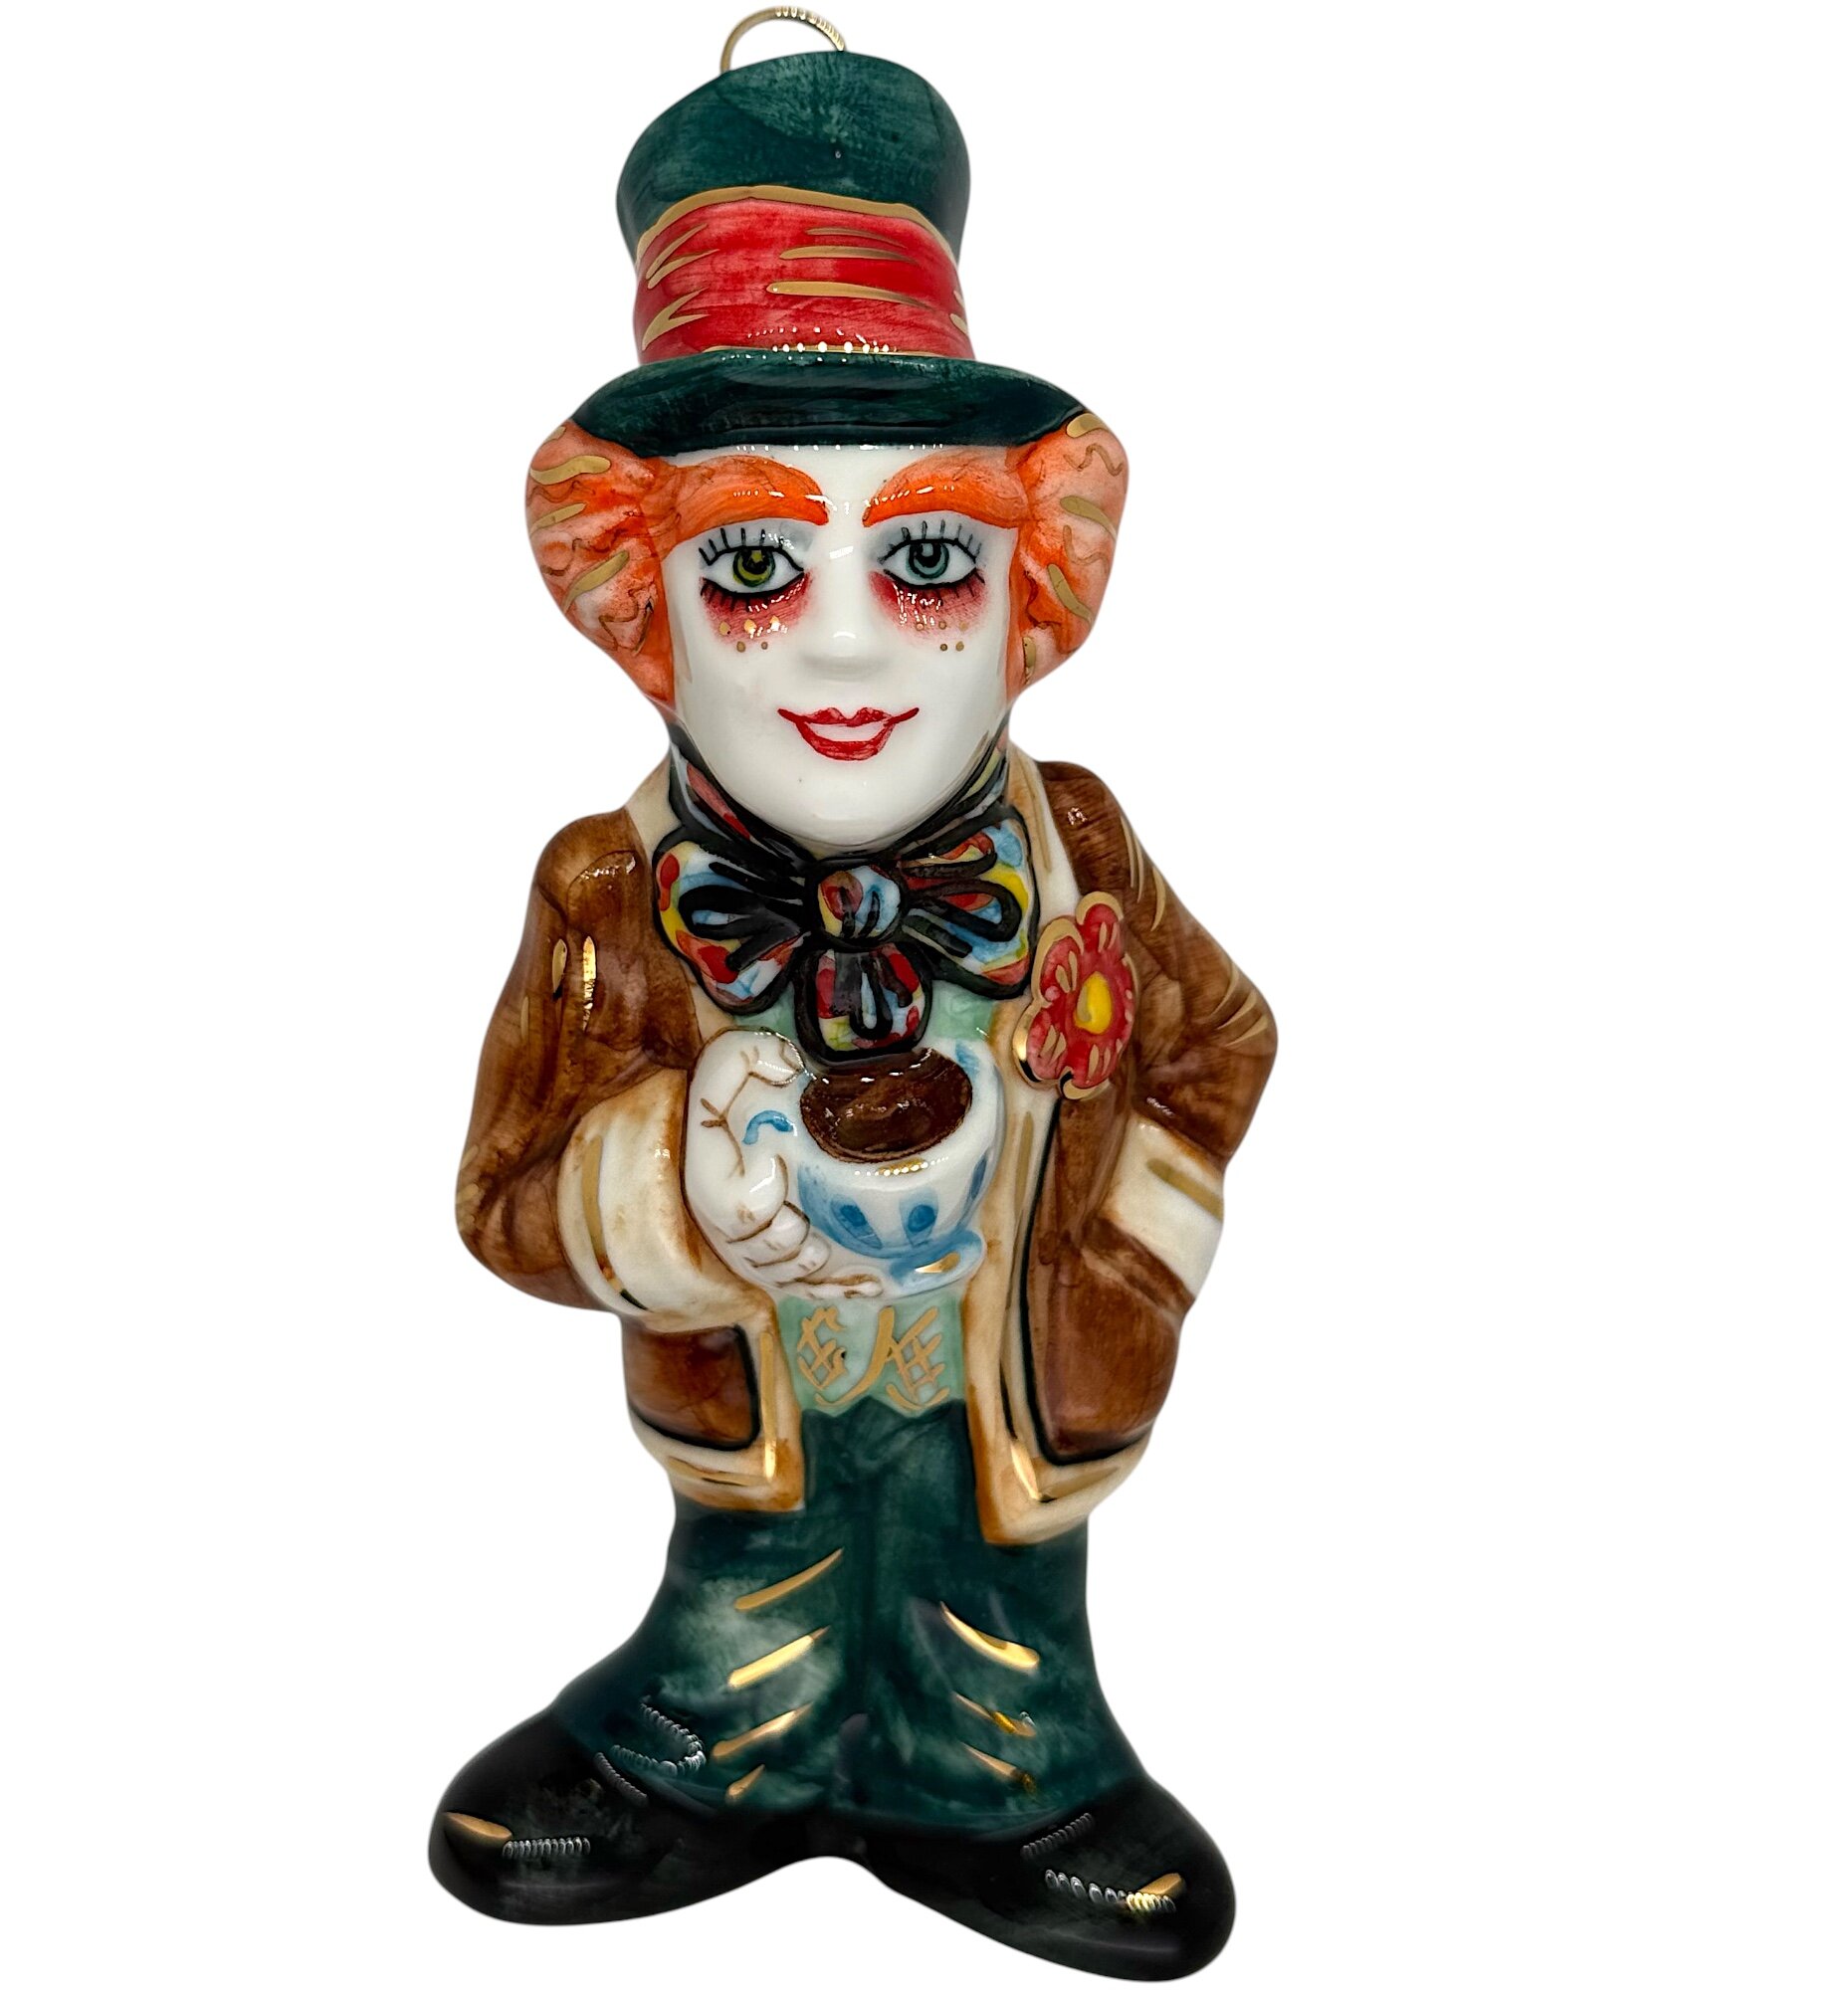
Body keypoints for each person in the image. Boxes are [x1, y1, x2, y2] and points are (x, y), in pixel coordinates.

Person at [428, 31, 1276, 1980]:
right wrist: (673, 1201)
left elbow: (1220, 1042)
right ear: (634, 605)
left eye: (925, 560)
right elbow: (500, 1194)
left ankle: (1013, 1781)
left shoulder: (1079, 851)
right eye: (750, 562)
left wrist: (1118, 1250)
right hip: (752, 1421)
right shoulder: (609, 893)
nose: (840, 643)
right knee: (746, 1594)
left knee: (1001, 1609)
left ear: (1033, 593)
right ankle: (715, 1748)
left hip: (1011, 1397)